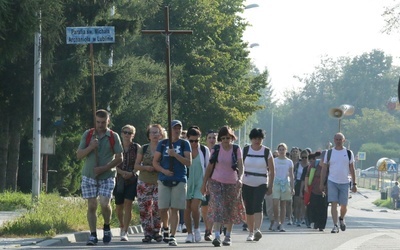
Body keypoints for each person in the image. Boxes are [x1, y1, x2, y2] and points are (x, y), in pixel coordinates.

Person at [76, 109, 123, 246]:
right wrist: (91, 147)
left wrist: (104, 168)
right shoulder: (89, 134)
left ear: (108, 121)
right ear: (95, 121)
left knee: (104, 203)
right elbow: (79, 155)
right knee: (91, 205)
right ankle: (93, 234)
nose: (100, 125)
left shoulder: (113, 136)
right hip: (89, 175)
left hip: (107, 175)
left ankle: (107, 226)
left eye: (103, 122)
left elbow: (120, 158)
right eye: (98, 122)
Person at [201, 125, 245, 247]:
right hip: (216, 181)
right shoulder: (216, 149)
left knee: (230, 209)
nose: (226, 140)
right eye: (223, 138)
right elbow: (209, 167)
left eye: (228, 138)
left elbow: (241, 165)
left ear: (232, 137)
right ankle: (216, 236)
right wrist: (204, 183)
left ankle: (228, 236)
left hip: (232, 183)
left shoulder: (236, 149)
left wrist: (240, 178)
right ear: (220, 138)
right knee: (218, 206)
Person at [152, 120, 192, 246]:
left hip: (179, 178)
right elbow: (155, 162)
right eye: (175, 128)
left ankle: (173, 236)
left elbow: (188, 162)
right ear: (169, 130)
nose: (177, 130)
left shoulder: (185, 143)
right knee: (163, 208)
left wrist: (175, 155)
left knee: (175, 208)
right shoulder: (163, 144)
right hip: (164, 179)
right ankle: (165, 227)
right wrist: (164, 170)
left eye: (179, 128)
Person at [320, 132, 357, 233]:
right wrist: (321, 183)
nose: (338, 141)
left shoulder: (349, 153)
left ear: (344, 140)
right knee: (334, 203)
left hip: (345, 182)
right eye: (336, 139)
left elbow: (352, 168)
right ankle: (335, 225)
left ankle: (341, 218)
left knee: (344, 205)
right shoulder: (329, 152)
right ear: (334, 140)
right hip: (332, 181)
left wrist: (354, 184)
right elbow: (324, 168)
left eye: (340, 139)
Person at [242, 128, 275, 242]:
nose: (257, 140)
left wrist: (270, 186)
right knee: (249, 208)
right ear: (251, 139)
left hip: (261, 183)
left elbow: (272, 170)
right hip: (246, 183)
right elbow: (240, 167)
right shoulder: (245, 150)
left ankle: (257, 230)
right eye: (255, 138)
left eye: (260, 138)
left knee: (258, 205)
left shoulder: (266, 152)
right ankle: (250, 232)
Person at [134, 124, 164, 243]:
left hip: (159, 181)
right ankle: (147, 232)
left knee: (158, 206)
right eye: (153, 132)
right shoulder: (144, 148)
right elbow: (136, 165)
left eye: (157, 132)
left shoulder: (164, 148)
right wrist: (146, 167)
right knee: (145, 208)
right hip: (144, 181)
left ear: (161, 134)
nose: (155, 135)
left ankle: (157, 231)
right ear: (149, 135)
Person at [184, 126, 210, 243]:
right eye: (191, 141)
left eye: (197, 141)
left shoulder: (204, 150)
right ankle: (189, 234)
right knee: (186, 208)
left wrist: (206, 184)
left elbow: (208, 167)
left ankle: (197, 229)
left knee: (195, 207)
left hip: (200, 181)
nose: (194, 143)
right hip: (186, 181)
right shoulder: (184, 149)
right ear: (187, 139)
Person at [113, 125, 139, 241]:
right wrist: (121, 172)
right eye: (125, 132)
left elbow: (139, 163)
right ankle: (121, 224)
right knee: (119, 206)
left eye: (130, 133)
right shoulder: (116, 146)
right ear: (121, 133)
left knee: (128, 203)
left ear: (133, 135)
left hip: (132, 179)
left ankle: (125, 231)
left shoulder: (136, 147)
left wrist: (133, 172)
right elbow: (112, 163)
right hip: (118, 179)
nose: (127, 135)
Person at [272, 143, 294, 232]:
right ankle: (276, 221)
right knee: (275, 203)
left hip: (285, 183)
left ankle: (282, 224)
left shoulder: (289, 162)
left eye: (283, 149)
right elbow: (271, 173)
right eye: (280, 149)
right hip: (276, 183)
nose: (281, 151)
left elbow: (292, 175)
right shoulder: (274, 160)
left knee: (283, 204)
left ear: (286, 150)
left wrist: (292, 187)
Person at [201, 130, 218, 241]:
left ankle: (209, 231)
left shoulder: (220, 150)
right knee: (205, 207)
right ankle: (208, 228)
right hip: (204, 181)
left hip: (217, 182)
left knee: (214, 207)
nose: (212, 140)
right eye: (210, 137)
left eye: (214, 138)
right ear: (206, 139)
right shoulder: (202, 151)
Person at [303, 151, 327, 231]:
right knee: (314, 207)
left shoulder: (329, 166)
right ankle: (315, 223)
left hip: (325, 191)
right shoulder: (314, 164)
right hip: (313, 189)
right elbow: (307, 175)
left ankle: (321, 226)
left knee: (323, 208)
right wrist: (306, 186)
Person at [293, 149, 309, 227]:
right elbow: (293, 174)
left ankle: (303, 218)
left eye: (306, 157)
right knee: (297, 203)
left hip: (306, 183)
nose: (304, 159)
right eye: (302, 157)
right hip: (298, 183)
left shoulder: (309, 165)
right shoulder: (297, 165)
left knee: (304, 203)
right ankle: (296, 218)